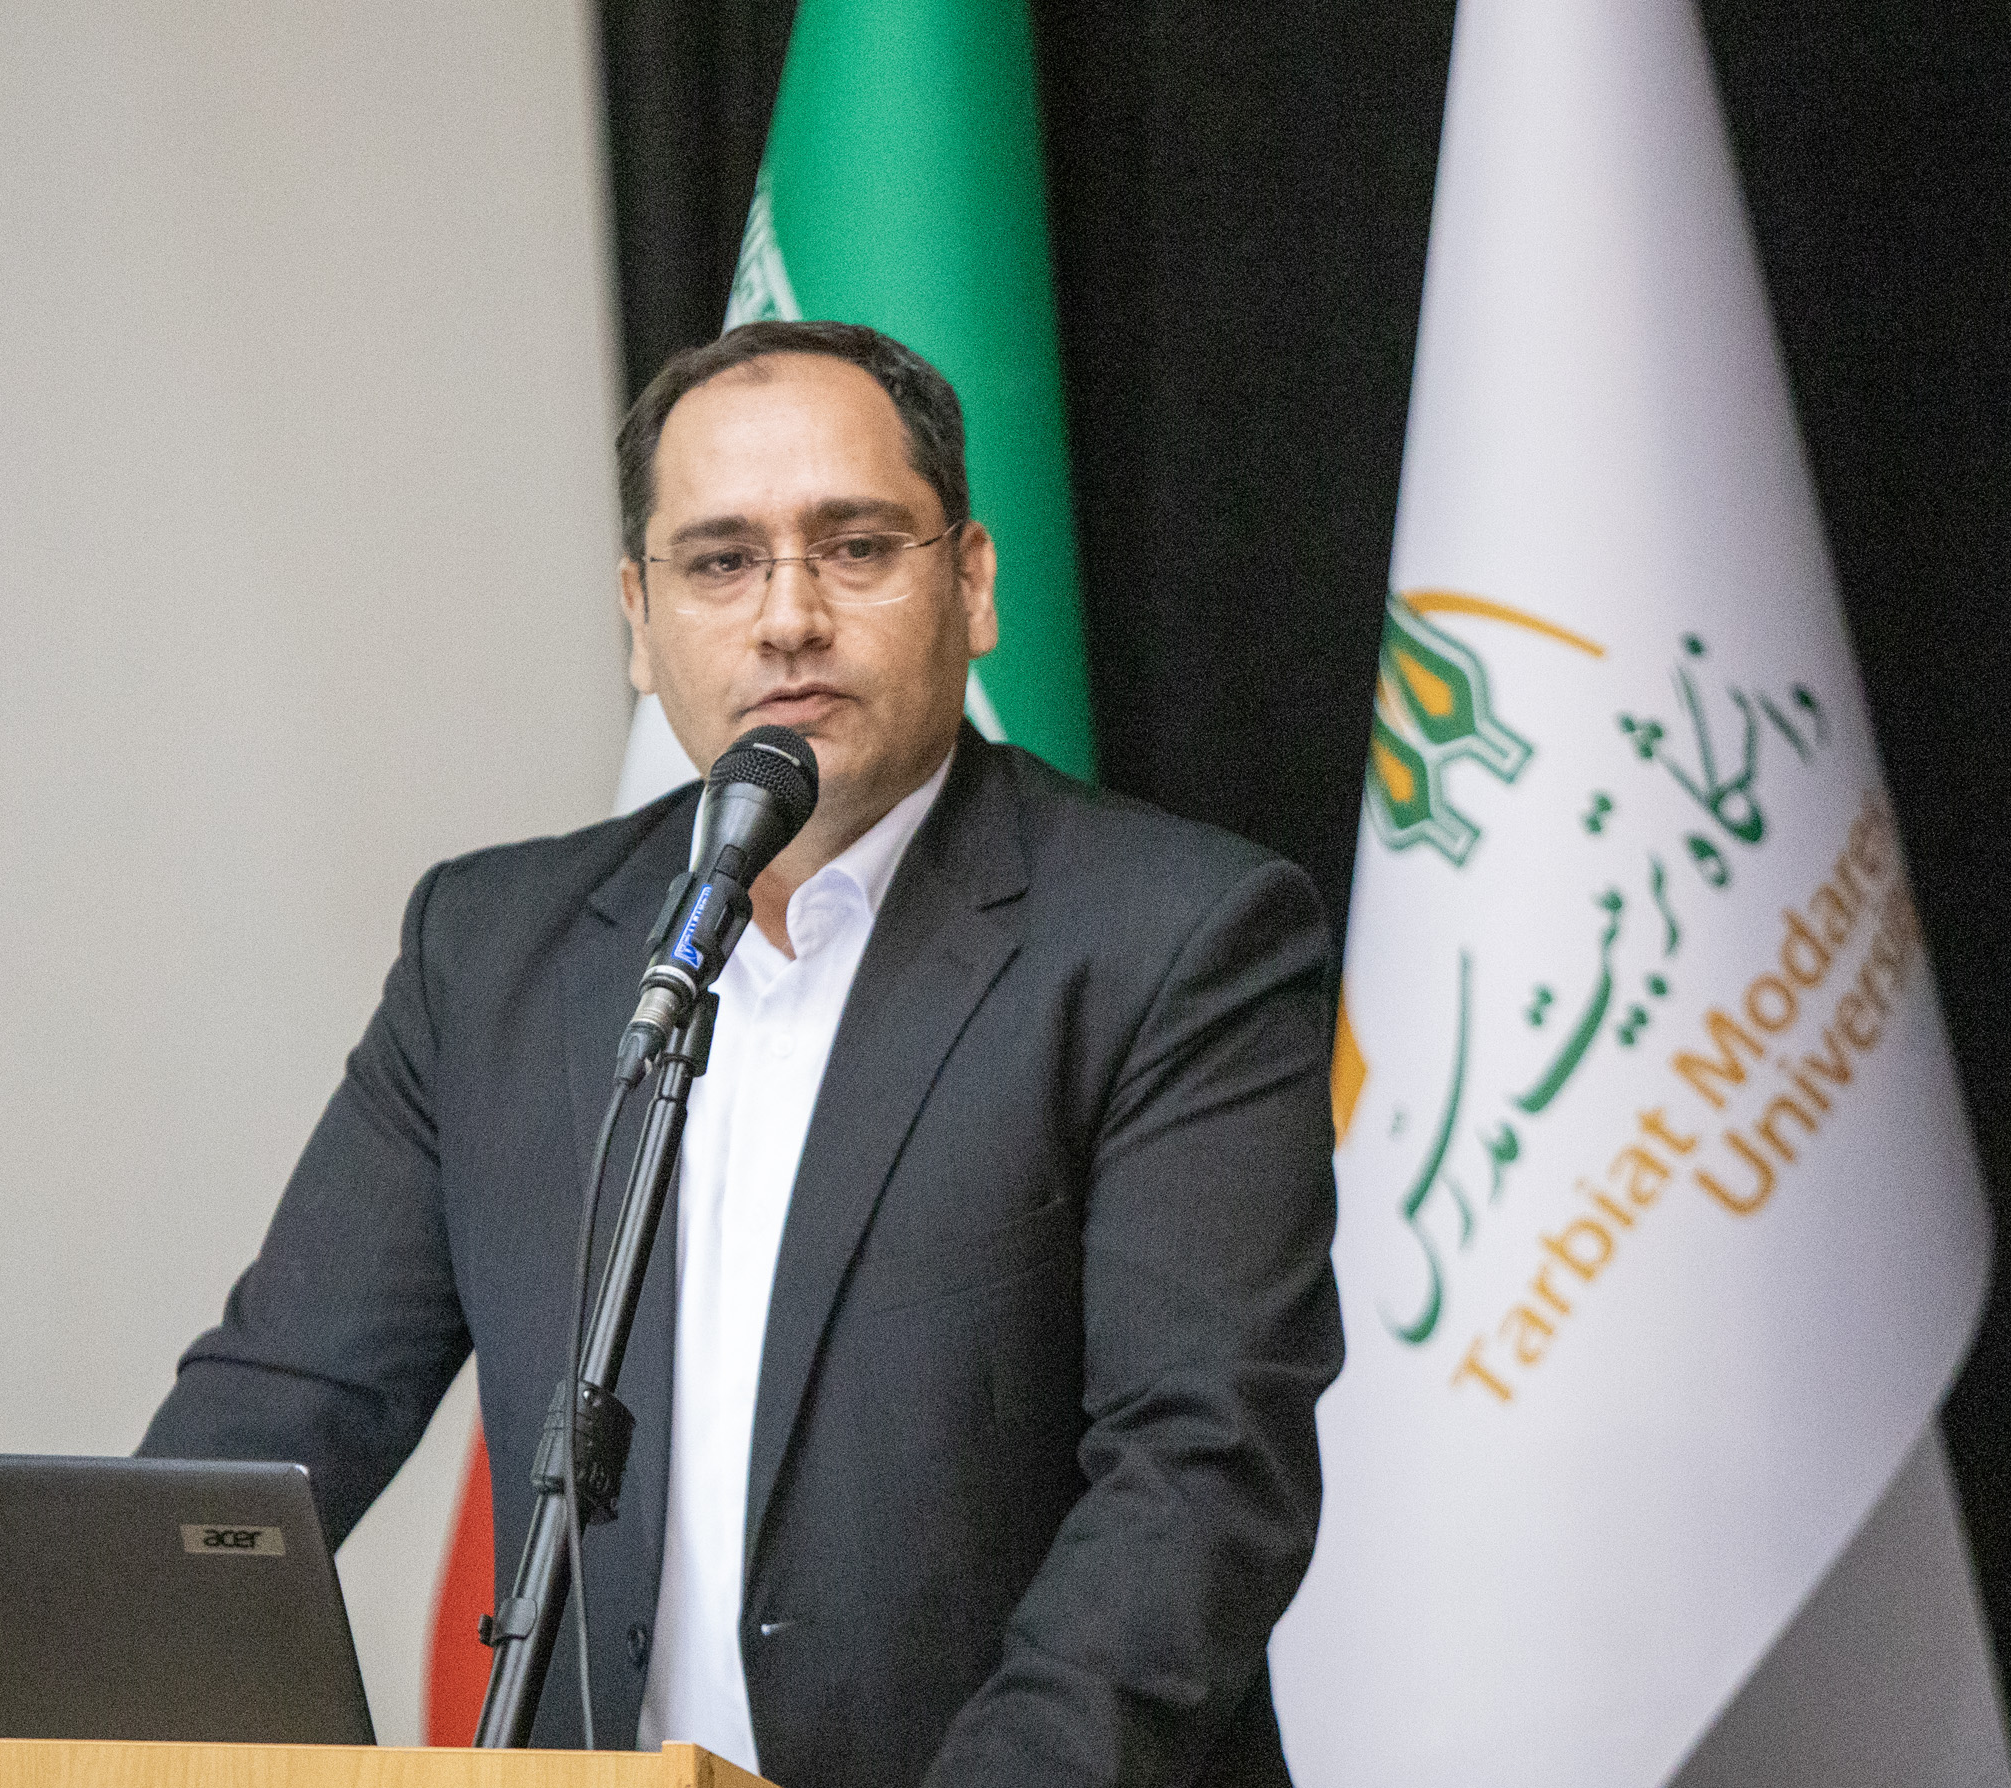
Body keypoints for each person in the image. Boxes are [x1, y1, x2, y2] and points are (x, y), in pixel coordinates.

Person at [142, 320, 1342, 1788]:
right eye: (720, 562)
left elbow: (1199, 1473)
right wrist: (49, 1675)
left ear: (971, 584)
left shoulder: (1176, 938)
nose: (788, 617)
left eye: (856, 548)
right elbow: (283, 1411)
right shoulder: (494, 951)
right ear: (640, 618)